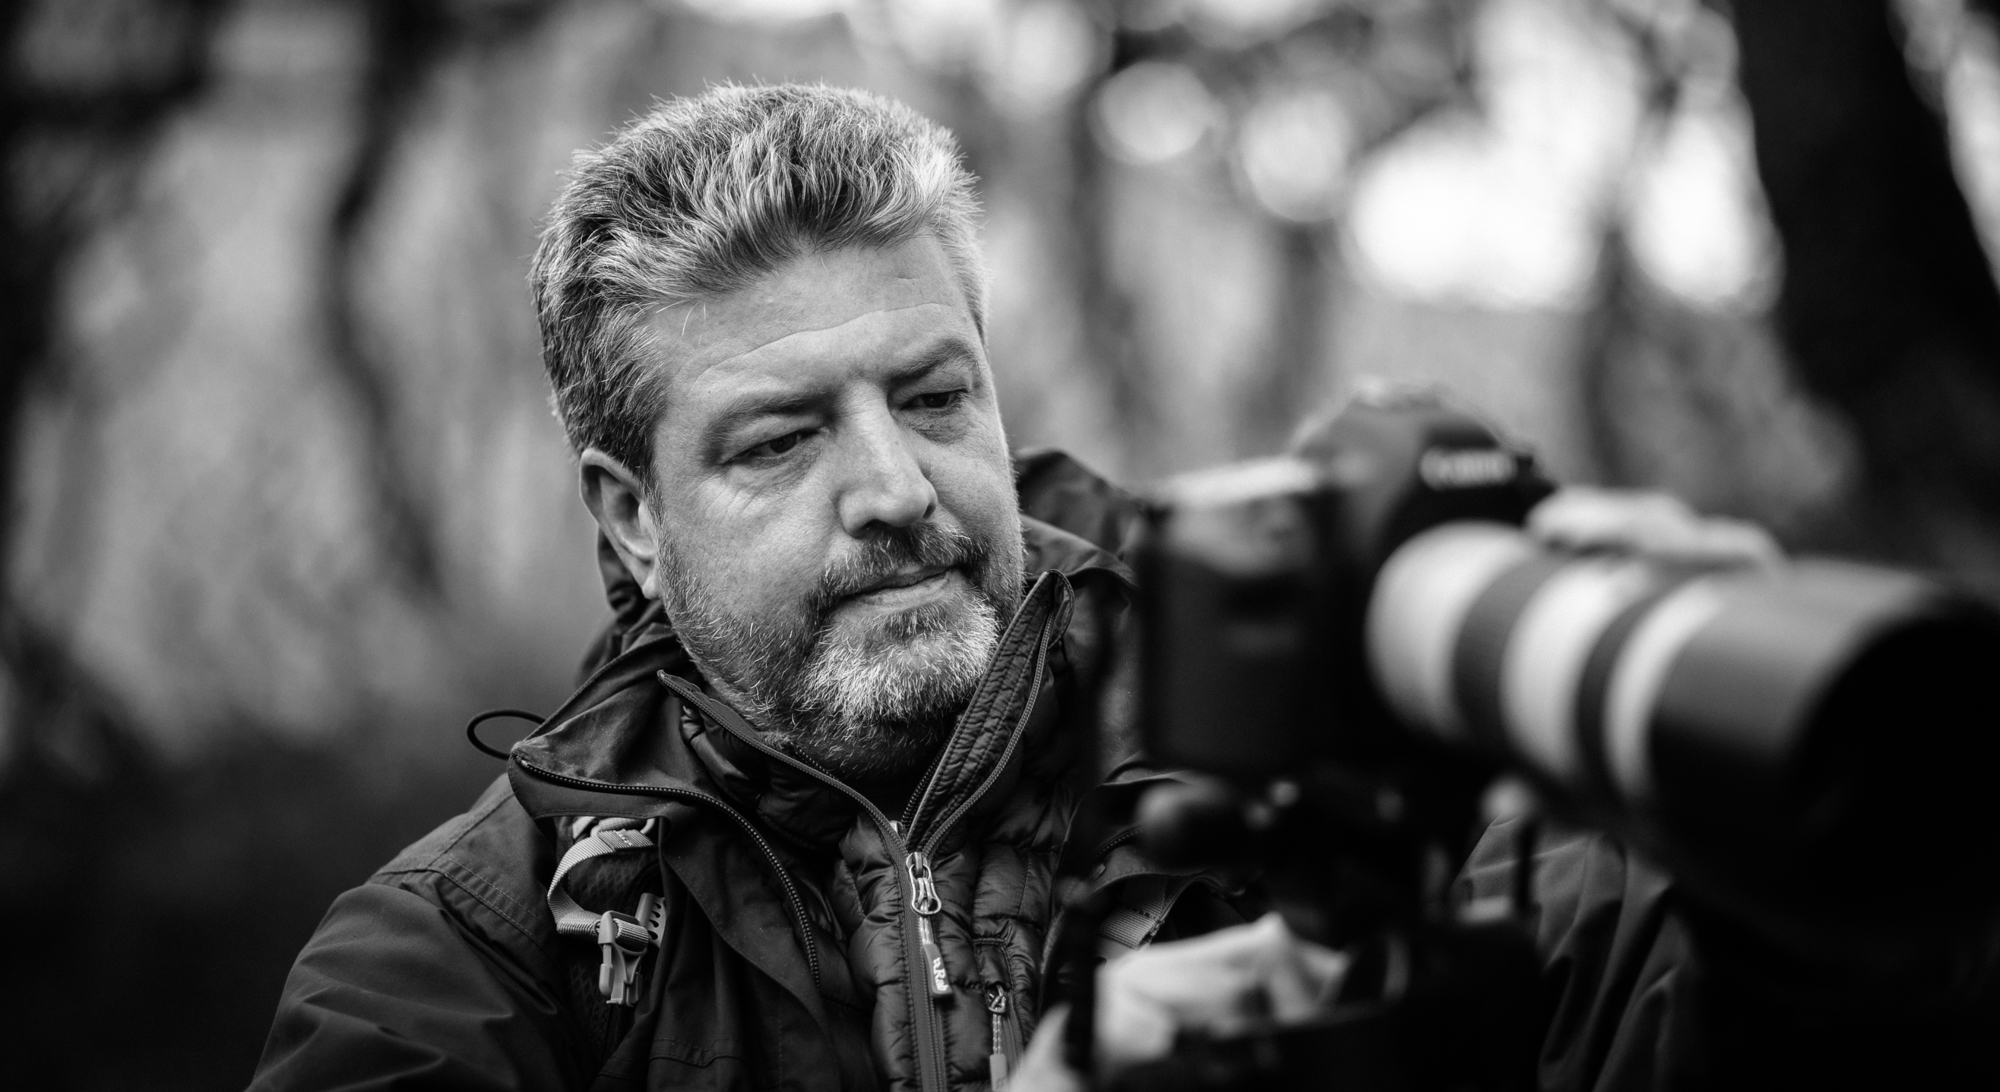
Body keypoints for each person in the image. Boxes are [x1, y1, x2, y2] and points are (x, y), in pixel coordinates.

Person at [249, 84, 1996, 1092]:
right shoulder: (471, 959)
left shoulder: (1340, 721)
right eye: (780, 441)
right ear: (629, 518)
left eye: (936, 398)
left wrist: (1803, 881)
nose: (893, 490)